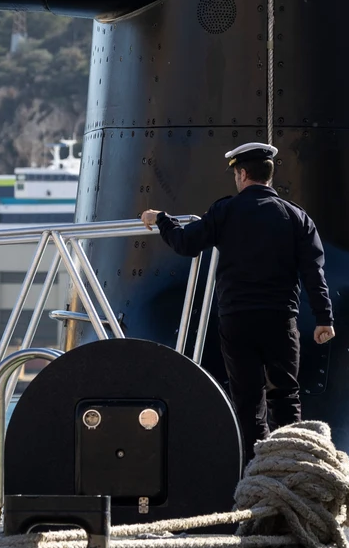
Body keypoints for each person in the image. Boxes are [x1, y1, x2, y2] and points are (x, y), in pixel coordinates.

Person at [141, 142, 334, 461]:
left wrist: (162, 218)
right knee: (285, 395)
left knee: (248, 401)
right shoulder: (296, 216)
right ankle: (293, 465)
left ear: (242, 174)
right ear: (269, 176)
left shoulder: (225, 211)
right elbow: (313, 272)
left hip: (237, 319)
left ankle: (253, 469)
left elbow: (185, 243)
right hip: (280, 319)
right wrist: (324, 318)